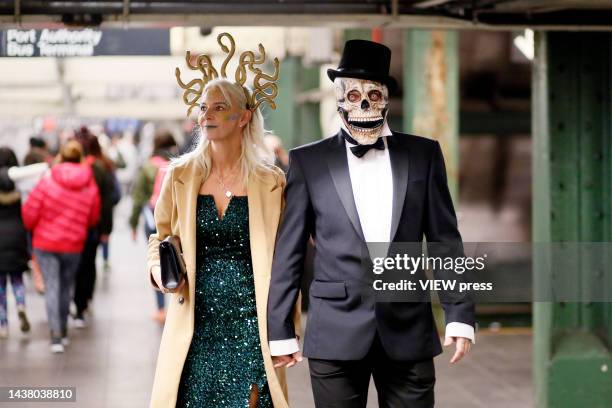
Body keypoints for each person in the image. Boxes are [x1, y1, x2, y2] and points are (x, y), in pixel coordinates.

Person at [267, 39, 476, 407]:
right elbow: (289, 252)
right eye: (353, 95)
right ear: (339, 99)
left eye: (373, 95)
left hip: (408, 329)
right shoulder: (308, 161)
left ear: (386, 99)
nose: (363, 105)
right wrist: (280, 329)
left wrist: (459, 314)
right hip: (335, 332)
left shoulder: (423, 155)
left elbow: (445, 240)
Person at [147, 74, 298, 407]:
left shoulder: (271, 182)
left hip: (252, 320)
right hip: (194, 322)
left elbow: (288, 259)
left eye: (219, 107)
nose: (207, 116)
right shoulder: (180, 175)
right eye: (203, 107)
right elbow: (160, 238)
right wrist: (159, 269)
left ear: (243, 117)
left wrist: (287, 325)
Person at [22, 140, 100, 353]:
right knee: (66, 286)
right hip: (73, 244)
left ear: (61, 157)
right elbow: (94, 216)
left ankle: (56, 335)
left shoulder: (46, 181)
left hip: (45, 244)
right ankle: (63, 331)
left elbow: (29, 214)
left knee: (52, 286)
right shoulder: (88, 181)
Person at [129, 130, 178, 324]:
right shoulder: (179, 164)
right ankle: (178, 306)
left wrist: (133, 224)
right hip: (176, 220)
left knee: (157, 260)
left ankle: (160, 308)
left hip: (153, 219)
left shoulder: (149, 167)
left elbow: (138, 198)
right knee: (178, 259)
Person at [73, 128, 115, 326]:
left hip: (73, 224)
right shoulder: (103, 166)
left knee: (76, 265)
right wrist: (106, 228)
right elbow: (108, 199)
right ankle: (85, 301)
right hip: (94, 224)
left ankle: (77, 304)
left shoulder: (72, 167)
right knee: (89, 264)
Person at [0, 147, 31, 339]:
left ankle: (2, 324)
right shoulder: (21, 184)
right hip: (18, 235)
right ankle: (20, 305)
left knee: (0, 284)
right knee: (17, 278)